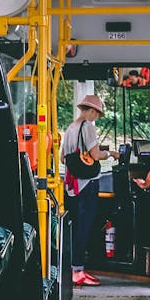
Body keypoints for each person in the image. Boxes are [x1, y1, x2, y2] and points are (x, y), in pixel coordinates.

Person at [61, 94, 119, 286]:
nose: (96, 117)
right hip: (87, 184)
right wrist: (110, 153)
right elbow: (95, 154)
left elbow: (63, 157)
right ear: (91, 111)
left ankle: (73, 268)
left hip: (72, 185)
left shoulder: (70, 128)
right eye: (96, 113)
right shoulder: (87, 127)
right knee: (84, 227)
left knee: (75, 226)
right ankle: (78, 271)